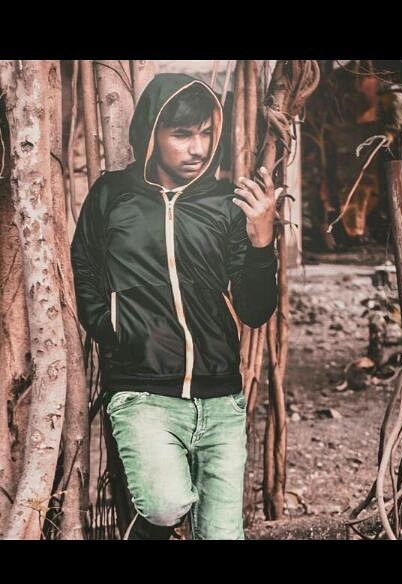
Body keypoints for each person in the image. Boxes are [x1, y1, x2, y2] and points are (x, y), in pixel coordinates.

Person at [70, 73, 278, 540]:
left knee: (222, 535)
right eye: (182, 134)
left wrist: (262, 243)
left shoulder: (227, 204)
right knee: (165, 504)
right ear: (152, 133)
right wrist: (114, 327)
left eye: (205, 133)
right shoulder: (111, 196)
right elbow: (85, 269)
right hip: (143, 394)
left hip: (221, 398)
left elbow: (255, 310)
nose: (198, 148)